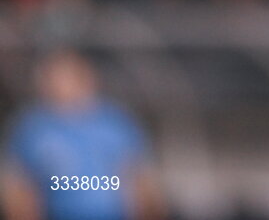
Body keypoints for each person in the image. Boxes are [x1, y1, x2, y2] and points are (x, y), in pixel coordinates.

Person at [1, 50, 164, 220]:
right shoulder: (32, 129)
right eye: (53, 78)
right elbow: (20, 189)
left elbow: (140, 180)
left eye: (68, 77)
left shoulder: (116, 123)